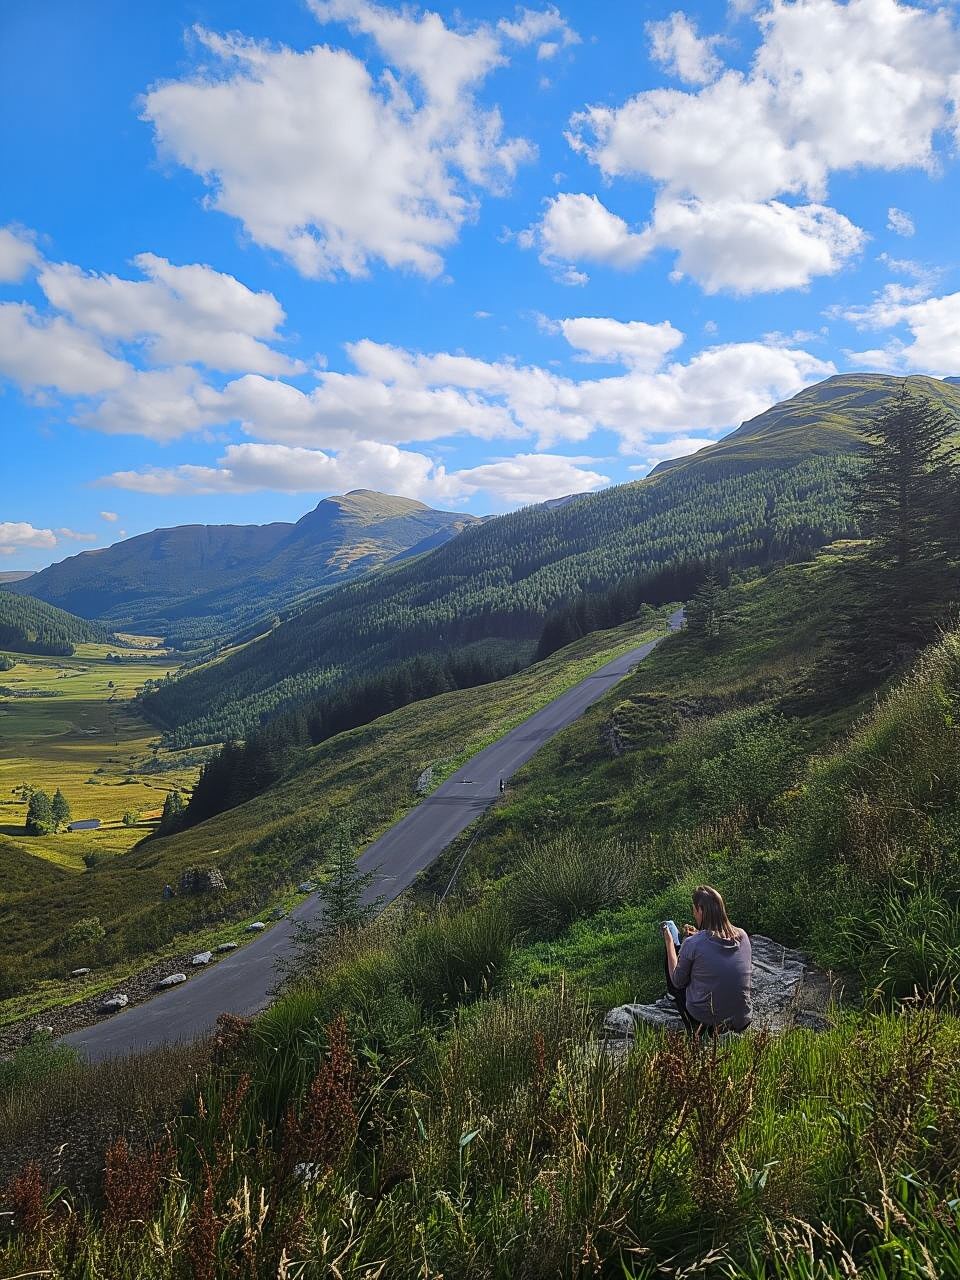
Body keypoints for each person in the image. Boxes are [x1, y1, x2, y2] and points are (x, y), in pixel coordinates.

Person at [661, 885, 752, 1035]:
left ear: (701, 910)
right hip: (741, 1016)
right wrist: (697, 935)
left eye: (694, 909)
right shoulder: (742, 935)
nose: (694, 913)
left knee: (674, 967)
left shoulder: (693, 943)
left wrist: (669, 942)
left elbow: (677, 981)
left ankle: (695, 1027)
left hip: (707, 1017)